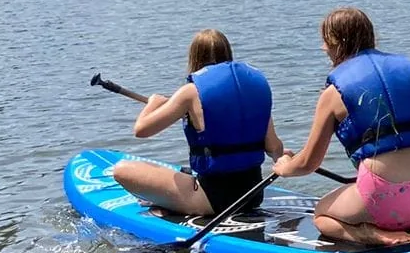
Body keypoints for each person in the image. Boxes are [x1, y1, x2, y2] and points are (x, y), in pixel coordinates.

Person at [276, 8, 410, 246]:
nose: (323, 48)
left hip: (383, 199)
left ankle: (371, 234)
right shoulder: (408, 72)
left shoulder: (333, 94)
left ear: (336, 44)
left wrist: (284, 167)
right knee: (370, 186)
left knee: (321, 214)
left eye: (325, 42)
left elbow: (308, 163)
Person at [113, 29, 284, 219]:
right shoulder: (251, 93)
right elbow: (274, 148)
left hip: (213, 201)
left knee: (122, 169)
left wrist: (153, 103)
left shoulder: (190, 92)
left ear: (194, 57)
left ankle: (177, 206)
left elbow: (141, 130)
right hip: (253, 195)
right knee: (186, 173)